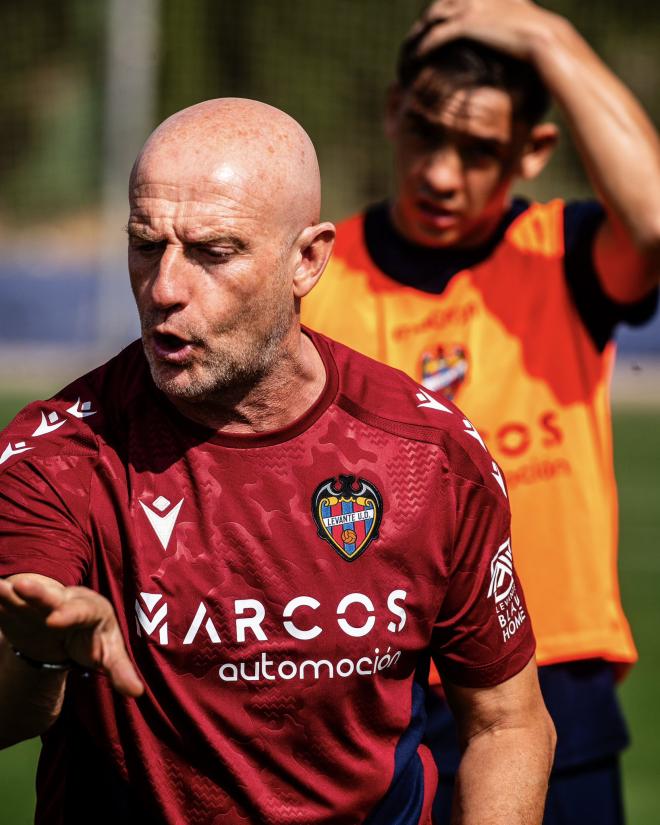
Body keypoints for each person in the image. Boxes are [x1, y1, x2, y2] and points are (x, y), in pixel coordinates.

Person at [0, 98, 554, 824]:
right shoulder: (62, 453)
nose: (165, 287)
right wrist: (41, 656)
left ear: (308, 259)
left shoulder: (433, 457)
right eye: (146, 244)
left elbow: (507, 722)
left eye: (213, 252)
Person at [301, 2, 660, 823]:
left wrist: (547, 35)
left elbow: (655, 220)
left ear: (534, 152)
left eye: (479, 151)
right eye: (426, 132)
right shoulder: (319, 277)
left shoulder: (559, 254)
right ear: (393, 113)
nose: (439, 173)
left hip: (555, 675)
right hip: (376, 680)